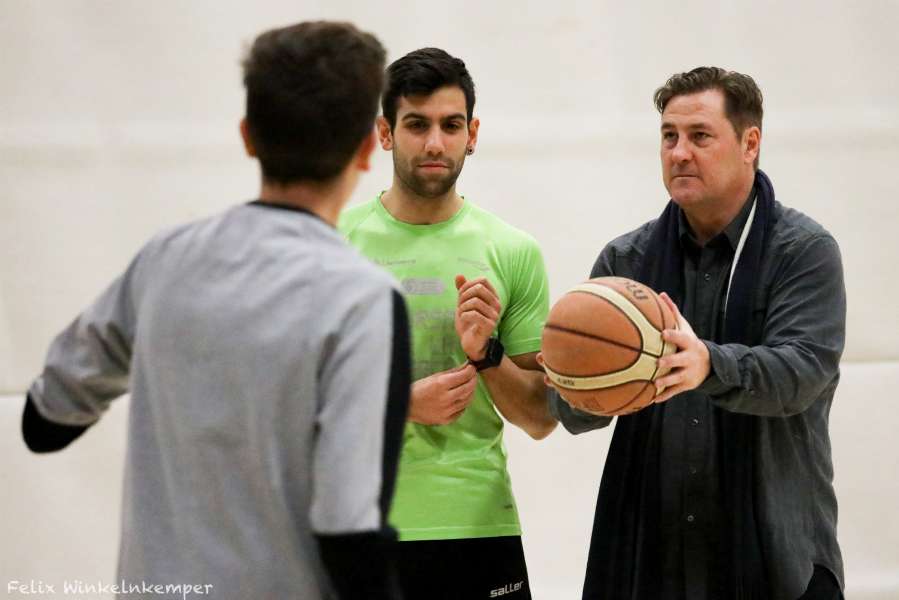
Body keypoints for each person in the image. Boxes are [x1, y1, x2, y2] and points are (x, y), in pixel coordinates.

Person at [22, 21, 409, 600]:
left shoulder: (164, 260)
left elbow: (44, 422)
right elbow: (348, 532)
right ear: (366, 149)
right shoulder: (362, 300)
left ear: (248, 136)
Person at [544, 67, 846, 600]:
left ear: (750, 143)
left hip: (776, 558)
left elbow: (801, 373)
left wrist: (708, 364)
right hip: (651, 557)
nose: (679, 152)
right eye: (669, 136)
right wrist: (577, 379)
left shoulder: (803, 252)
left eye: (700, 136)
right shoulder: (625, 261)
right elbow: (570, 413)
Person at [339, 47, 556, 600]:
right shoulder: (332, 243)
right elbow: (288, 396)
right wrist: (400, 404)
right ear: (385, 133)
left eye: (451, 125)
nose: (435, 143)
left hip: (478, 528)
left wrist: (487, 354)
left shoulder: (512, 250)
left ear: (472, 134)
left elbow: (539, 418)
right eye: (417, 125)